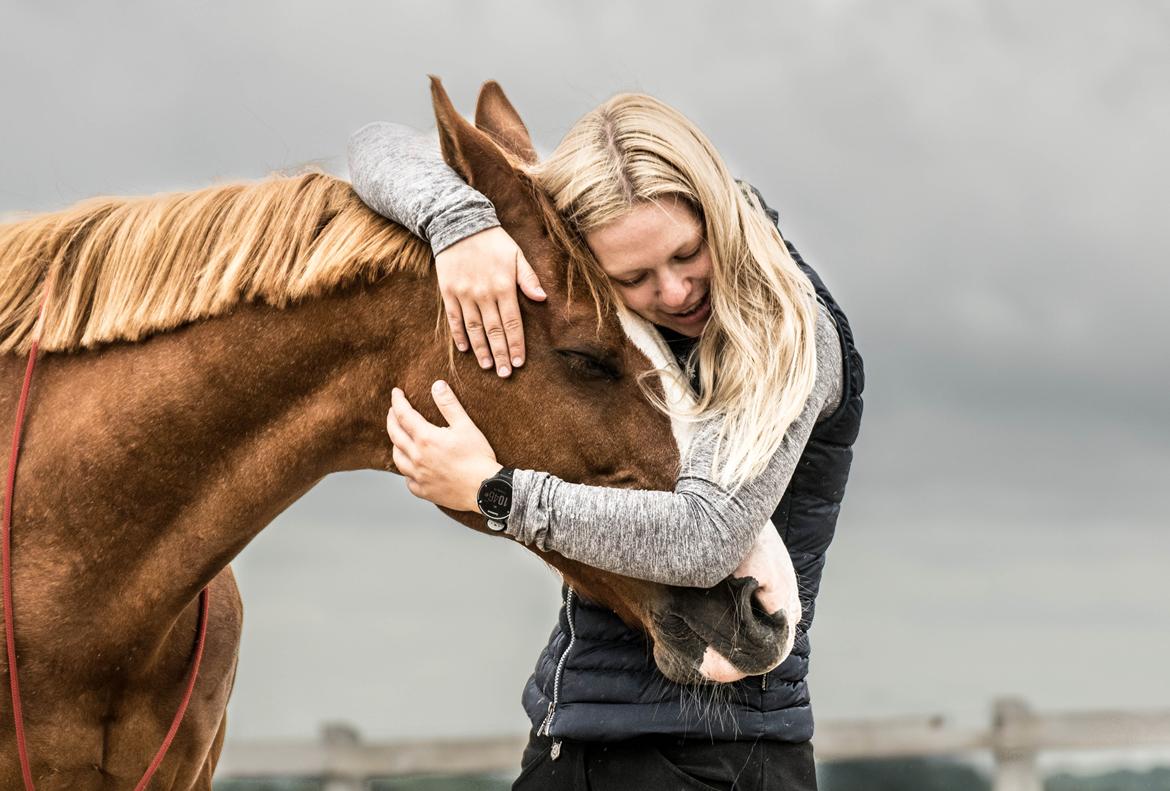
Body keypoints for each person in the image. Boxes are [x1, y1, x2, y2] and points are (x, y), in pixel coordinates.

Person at [347, 91, 864, 791]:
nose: (677, 290)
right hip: (571, 735)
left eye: (688, 252)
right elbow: (378, 144)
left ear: (715, 207)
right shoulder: (626, 328)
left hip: (716, 753)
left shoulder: (786, 333)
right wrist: (460, 223)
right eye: (635, 277)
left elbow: (703, 538)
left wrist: (493, 491)